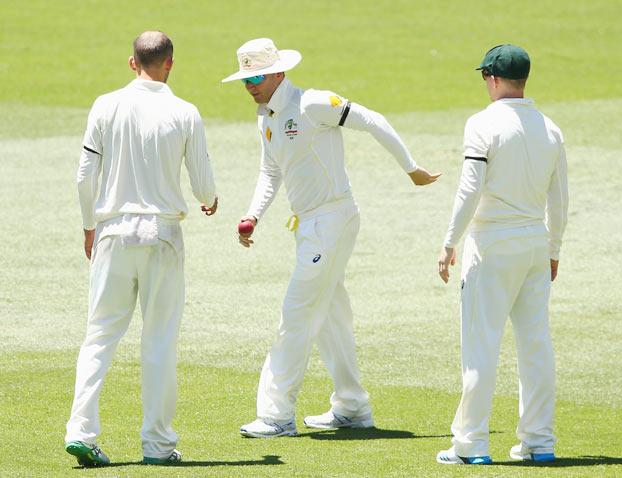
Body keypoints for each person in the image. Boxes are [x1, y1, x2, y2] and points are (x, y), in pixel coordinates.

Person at [221, 38, 441, 438]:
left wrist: (411, 168)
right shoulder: (265, 117)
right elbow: (271, 172)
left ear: (277, 72)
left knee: (297, 314)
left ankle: (276, 416)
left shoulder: (313, 103)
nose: (250, 85)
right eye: (244, 79)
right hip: (308, 225)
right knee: (330, 318)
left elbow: (371, 119)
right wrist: (253, 215)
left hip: (333, 219)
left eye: (255, 77)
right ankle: (352, 407)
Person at [65, 31, 218, 467]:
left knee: (98, 337)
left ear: (133, 62)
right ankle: (158, 446)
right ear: (170, 64)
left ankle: (80, 431)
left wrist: (88, 225)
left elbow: (83, 176)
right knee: (159, 341)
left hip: (112, 231)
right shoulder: (185, 111)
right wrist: (210, 199)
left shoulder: (105, 104)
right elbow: (203, 181)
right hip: (164, 235)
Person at [436, 44, 568, 465]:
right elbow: (559, 200)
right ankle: (539, 442)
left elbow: (469, 189)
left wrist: (448, 242)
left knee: (481, 344)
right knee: (535, 345)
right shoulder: (550, 128)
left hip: (491, 245)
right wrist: (553, 249)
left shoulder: (481, 123)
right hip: (534, 244)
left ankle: (471, 445)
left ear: (493, 79)